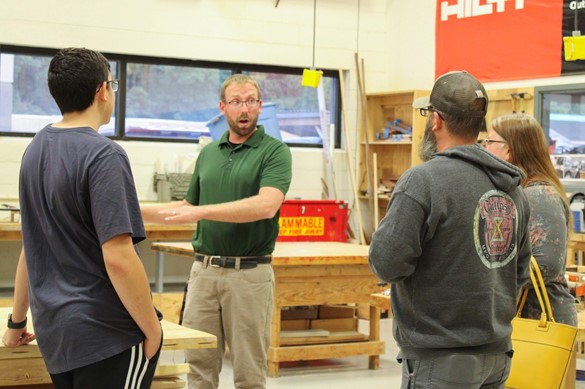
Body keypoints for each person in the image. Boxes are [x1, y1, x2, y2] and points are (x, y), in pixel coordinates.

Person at [1, 47, 163, 389]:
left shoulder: (35, 150)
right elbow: (119, 257)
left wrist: (16, 322)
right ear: (102, 91)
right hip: (107, 334)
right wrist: (153, 329)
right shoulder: (105, 155)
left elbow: (33, 247)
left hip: (56, 334)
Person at [368, 71, 532, 389]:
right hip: (497, 355)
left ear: (436, 120)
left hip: (441, 359)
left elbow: (386, 263)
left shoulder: (424, 181)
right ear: (479, 122)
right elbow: (520, 271)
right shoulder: (513, 187)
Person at [142, 73, 292, 389]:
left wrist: (203, 212)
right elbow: (185, 207)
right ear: (222, 107)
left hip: (249, 275)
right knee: (198, 368)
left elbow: (266, 205)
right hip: (204, 273)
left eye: (251, 101)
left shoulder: (275, 152)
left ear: (260, 106)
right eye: (236, 102)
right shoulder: (209, 153)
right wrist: (130, 209)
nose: (244, 109)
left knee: (249, 374)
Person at [484, 113, 578, 327]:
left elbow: (546, 265)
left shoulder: (539, 194)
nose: (485, 148)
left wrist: (489, 273)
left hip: (542, 321)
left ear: (508, 150)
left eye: (489, 142)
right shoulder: (522, 191)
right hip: (525, 315)